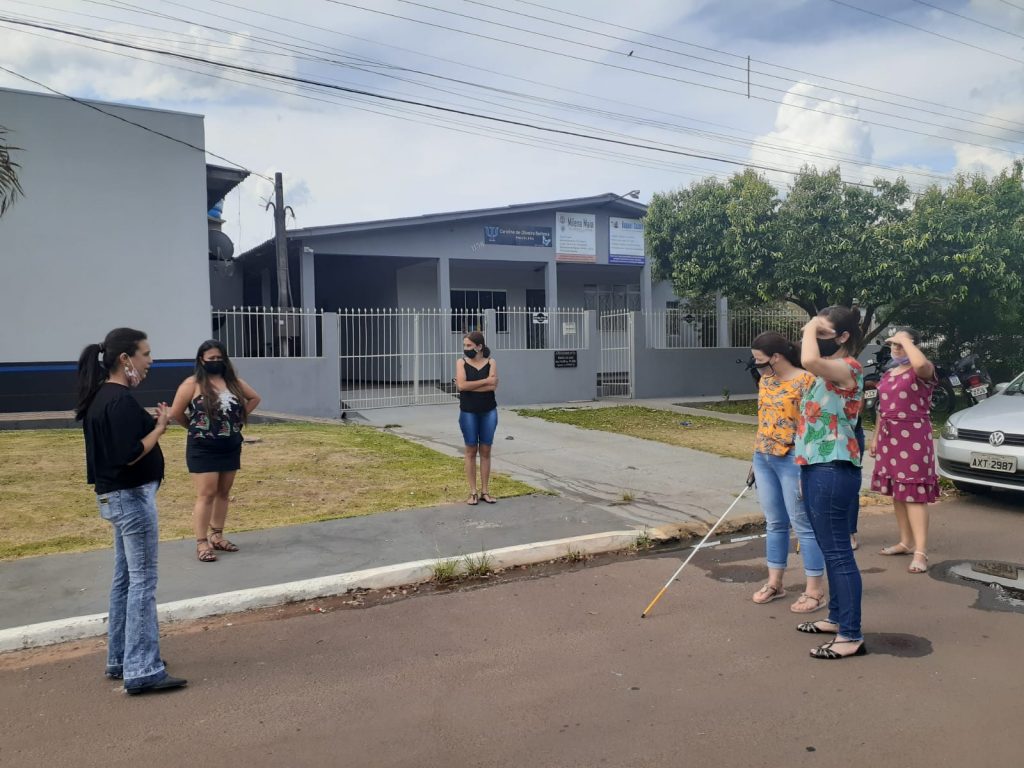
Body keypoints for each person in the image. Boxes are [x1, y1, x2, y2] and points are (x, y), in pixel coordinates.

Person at [75, 328, 187, 694]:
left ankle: (122, 658)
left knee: (125, 578)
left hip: (115, 498)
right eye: (146, 354)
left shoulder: (100, 398)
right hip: (130, 499)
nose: (150, 361)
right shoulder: (118, 400)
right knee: (142, 582)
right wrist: (159, 427)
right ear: (126, 359)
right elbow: (129, 453)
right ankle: (142, 667)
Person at [795, 307, 866, 660]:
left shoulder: (849, 368)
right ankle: (837, 619)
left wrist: (809, 325)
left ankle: (851, 635)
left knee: (839, 553)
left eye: (822, 333)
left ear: (842, 338)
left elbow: (807, 359)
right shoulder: (823, 373)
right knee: (830, 548)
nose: (813, 339)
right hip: (815, 466)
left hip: (833, 468)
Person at [748, 332, 826, 614]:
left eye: (759, 361)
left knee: (803, 524)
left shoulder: (806, 381)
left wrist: (809, 469)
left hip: (793, 459)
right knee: (775, 523)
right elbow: (764, 420)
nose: (756, 366)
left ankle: (815, 591)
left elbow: (815, 427)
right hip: (764, 457)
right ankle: (775, 583)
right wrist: (754, 460)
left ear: (776, 357)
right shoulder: (766, 380)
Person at [170, 340, 260, 563]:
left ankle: (217, 535)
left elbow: (255, 398)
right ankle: (202, 542)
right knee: (206, 493)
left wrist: (239, 419)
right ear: (202, 360)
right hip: (203, 448)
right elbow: (176, 412)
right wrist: (194, 427)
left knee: (223, 492)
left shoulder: (234, 382)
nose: (216, 363)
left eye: (220, 359)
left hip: (230, 445)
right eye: (211, 359)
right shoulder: (192, 384)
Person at [869, 328, 939, 574]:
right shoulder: (889, 373)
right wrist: (876, 437)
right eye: (893, 344)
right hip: (890, 437)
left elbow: (920, 363)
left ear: (913, 345)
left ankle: (920, 552)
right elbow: (882, 408)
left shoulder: (923, 370)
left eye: (901, 345)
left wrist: (905, 341)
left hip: (914, 437)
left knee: (914, 493)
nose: (896, 348)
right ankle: (905, 542)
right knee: (898, 492)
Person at [455, 331, 499, 505]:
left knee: (486, 451)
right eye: (465, 345)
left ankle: (485, 491)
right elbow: (462, 385)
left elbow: (493, 387)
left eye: (469, 346)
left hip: (488, 411)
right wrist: (485, 382)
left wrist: (470, 386)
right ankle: (473, 492)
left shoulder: (491, 362)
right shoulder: (461, 362)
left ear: (479, 347)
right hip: (468, 412)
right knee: (471, 450)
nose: (466, 349)